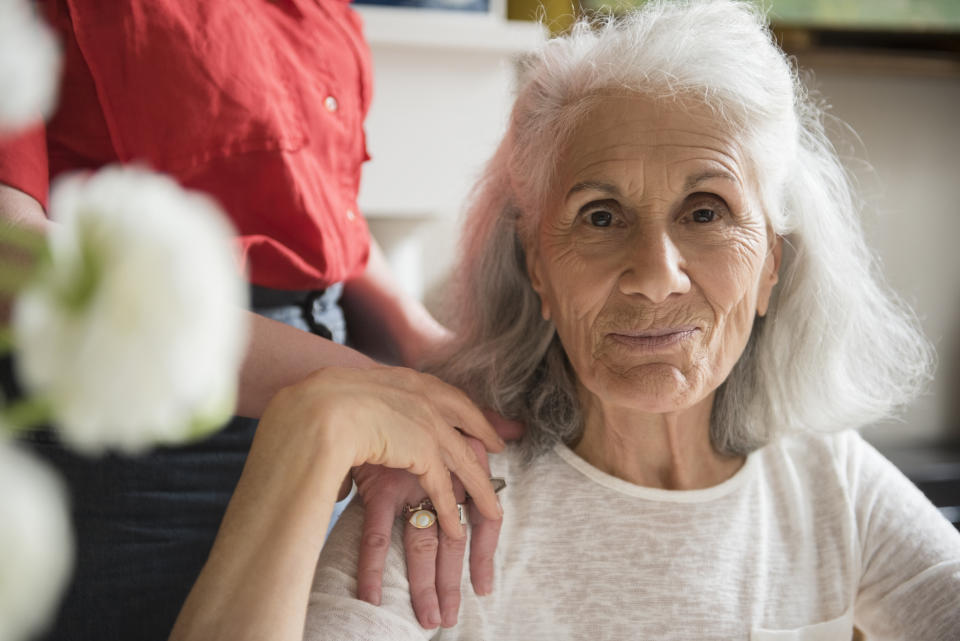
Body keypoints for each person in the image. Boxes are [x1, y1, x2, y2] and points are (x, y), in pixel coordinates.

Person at [170, 0, 960, 639]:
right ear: (537, 267)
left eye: (706, 210)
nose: (655, 276)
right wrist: (315, 422)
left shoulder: (830, 478)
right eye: (601, 215)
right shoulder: (442, 501)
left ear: (771, 265)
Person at [0, 1, 512, 638]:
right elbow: (12, 259)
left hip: (332, 415)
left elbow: (320, 222)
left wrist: (430, 352)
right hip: (141, 439)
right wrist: (355, 391)